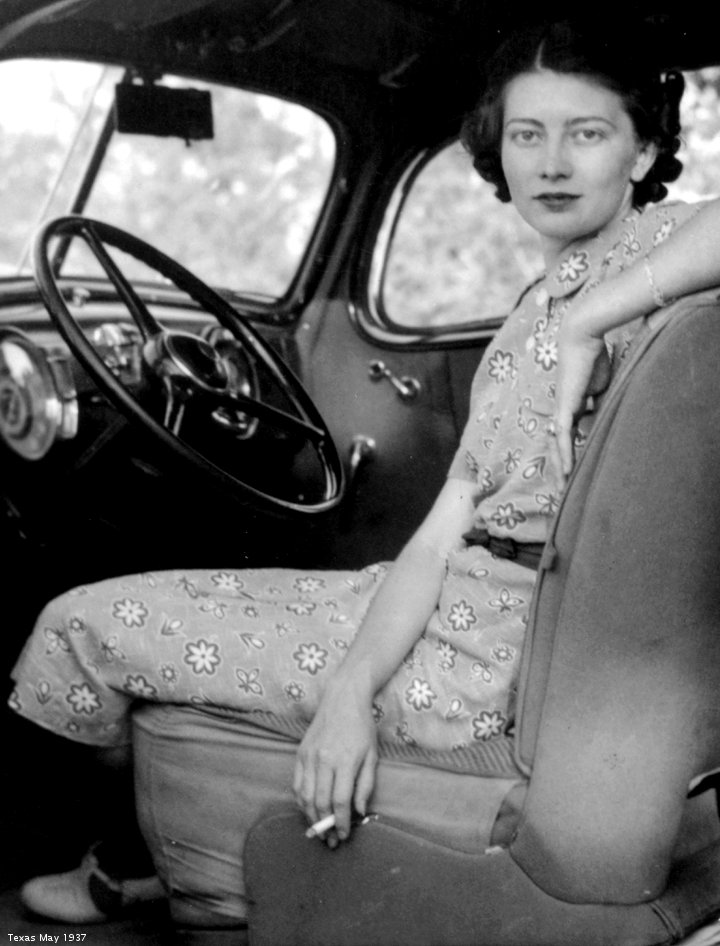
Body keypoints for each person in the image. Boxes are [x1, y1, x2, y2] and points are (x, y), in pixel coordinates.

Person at [9, 17, 720, 944]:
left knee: (85, 620)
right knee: (109, 611)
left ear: (645, 151)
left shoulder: (657, 250)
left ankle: (131, 860)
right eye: (526, 134)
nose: (551, 162)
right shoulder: (534, 307)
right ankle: (160, 847)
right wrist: (348, 692)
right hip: (451, 601)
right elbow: (444, 531)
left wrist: (598, 317)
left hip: (497, 655)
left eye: (587, 133)